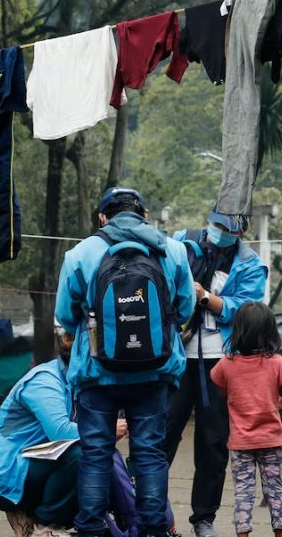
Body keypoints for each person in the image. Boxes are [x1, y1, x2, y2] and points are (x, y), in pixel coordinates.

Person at [56, 187, 196, 537]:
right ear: (144, 216)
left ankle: (90, 528)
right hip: (154, 371)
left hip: (96, 374)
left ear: (102, 217)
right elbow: (186, 308)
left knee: (96, 454)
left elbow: (65, 314)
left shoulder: (80, 254)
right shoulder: (173, 250)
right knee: (149, 453)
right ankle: (152, 529)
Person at [166, 210, 267, 537]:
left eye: (227, 227)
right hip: (177, 356)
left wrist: (207, 299)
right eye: (216, 224)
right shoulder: (182, 243)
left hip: (220, 361)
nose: (219, 231)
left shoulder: (250, 264)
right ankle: (142, 506)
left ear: (241, 230)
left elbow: (247, 308)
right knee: (162, 431)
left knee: (213, 442)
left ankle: (204, 518)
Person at [0, 326, 82, 537]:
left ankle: (33, 515)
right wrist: (106, 430)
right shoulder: (45, 380)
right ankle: (45, 525)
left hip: (33, 465)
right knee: (81, 454)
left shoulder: (78, 382)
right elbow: (61, 432)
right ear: (69, 340)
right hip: (4, 472)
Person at [210, 302, 282, 537]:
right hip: (271, 439)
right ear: (270, 331)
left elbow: (218, 383)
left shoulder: (227, 364)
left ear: (238, 331)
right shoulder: (276, 362)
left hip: (241, 442)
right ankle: (279, 533)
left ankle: (243, 534)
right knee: (274, 489)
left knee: (243, 492)